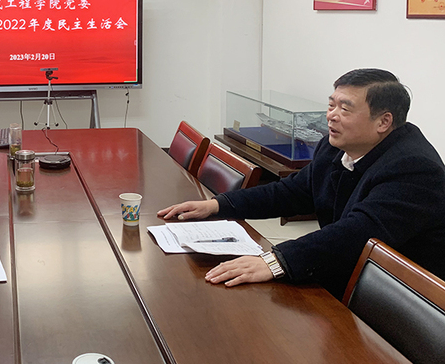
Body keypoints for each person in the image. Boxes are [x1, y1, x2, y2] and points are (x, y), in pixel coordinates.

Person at [158, 69, 445, 298]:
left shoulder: (414, 168)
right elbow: (293, 191)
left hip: (396, 299)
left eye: (345, 109)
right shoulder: (335, 145)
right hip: (346, 271)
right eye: (331, 105)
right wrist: (218, 205)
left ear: (383, 122)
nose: (331, 116)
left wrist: (276, 261)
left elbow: (358, 232)